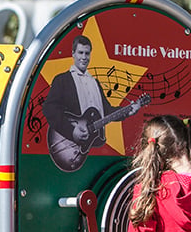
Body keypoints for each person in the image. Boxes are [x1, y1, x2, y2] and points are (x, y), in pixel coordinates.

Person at [43, 35, 142, 171]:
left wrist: (128, 111)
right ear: (73, 54)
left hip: (93, 153)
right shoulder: (62, 80)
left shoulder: (95, 82)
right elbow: (49, 109)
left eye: (87, 53)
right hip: (69, 146)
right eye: (80, 53)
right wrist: (72, 130)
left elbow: (106, 111)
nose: (84, 57)